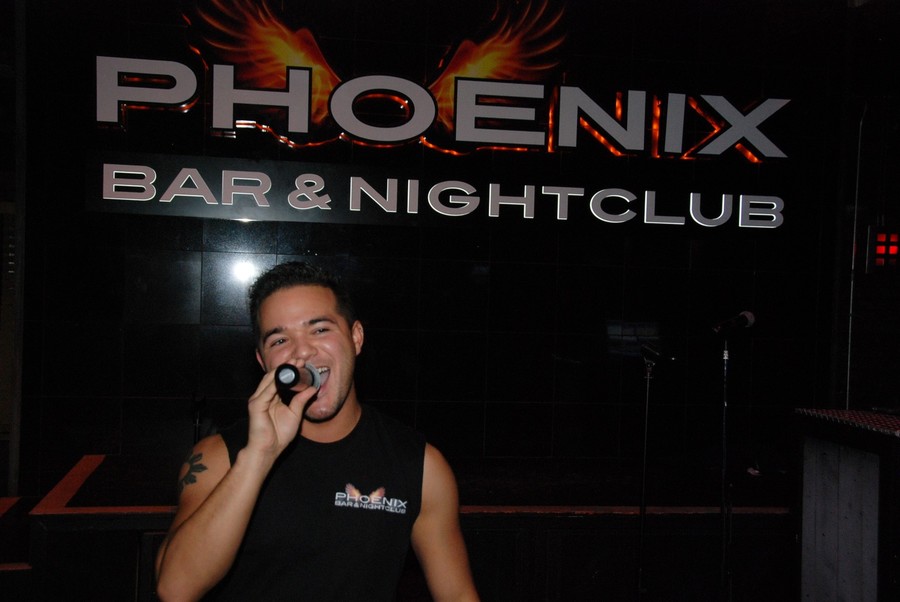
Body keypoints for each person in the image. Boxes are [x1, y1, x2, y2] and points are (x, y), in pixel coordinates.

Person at [155, 261, 479, 601]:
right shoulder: (218, 458)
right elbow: (175, 589)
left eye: (320, 329)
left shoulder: (418, 465)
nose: (302, 351)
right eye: (280, 339)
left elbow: (458, 594)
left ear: (356, 337)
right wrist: (258, 457)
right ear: (264, 362)